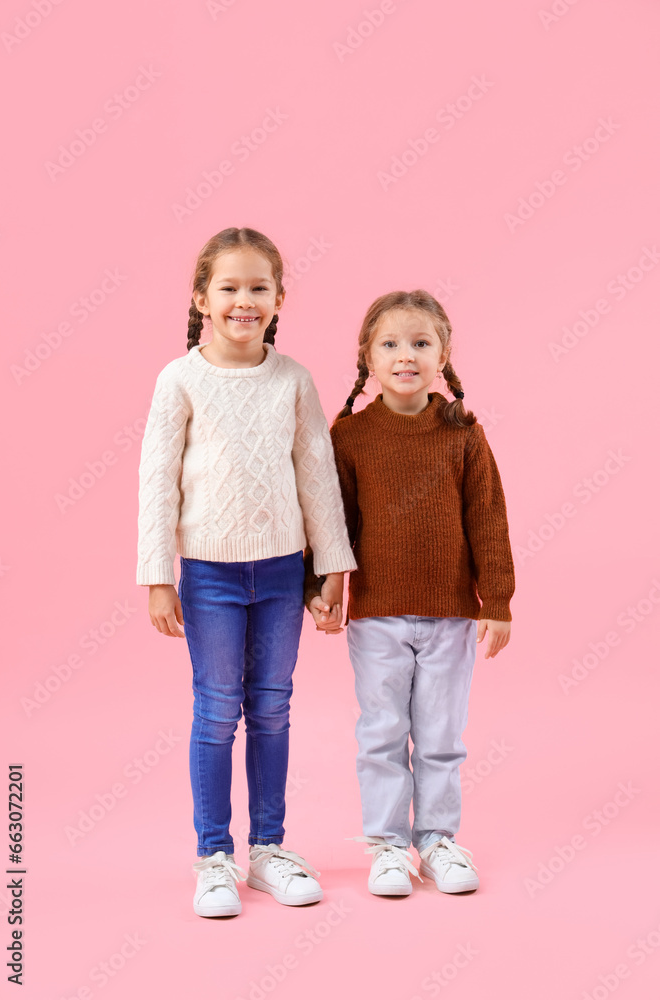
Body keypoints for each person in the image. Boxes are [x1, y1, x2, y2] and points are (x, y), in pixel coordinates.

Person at [136, 227, 357, 917]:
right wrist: (157, 574)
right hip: (208, 575)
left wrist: (331, 570)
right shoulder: (179, 379)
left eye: (257, 287)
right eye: (228, 288)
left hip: (282, 571)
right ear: (201, 297)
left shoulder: (293, 379)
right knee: (216, 710)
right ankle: (214, 857)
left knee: (271, 707)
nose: (243, 301)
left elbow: (317, 476)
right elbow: (157, 480)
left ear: (279, 298)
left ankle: (267, 849)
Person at [304, 290, 515, 897]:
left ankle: (438, 841)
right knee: (381, 731)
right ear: (367, 356)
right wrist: (322, 589)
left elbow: (488, 518)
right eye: (390, 344)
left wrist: (496, 600)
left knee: (442, 735)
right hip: (377, 616)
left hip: (451, 614)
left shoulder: (463, 434)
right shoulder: (349, 436)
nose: (406, 355)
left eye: (421, 343)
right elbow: (332, 521)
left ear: (443, 354)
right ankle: (389, 845)